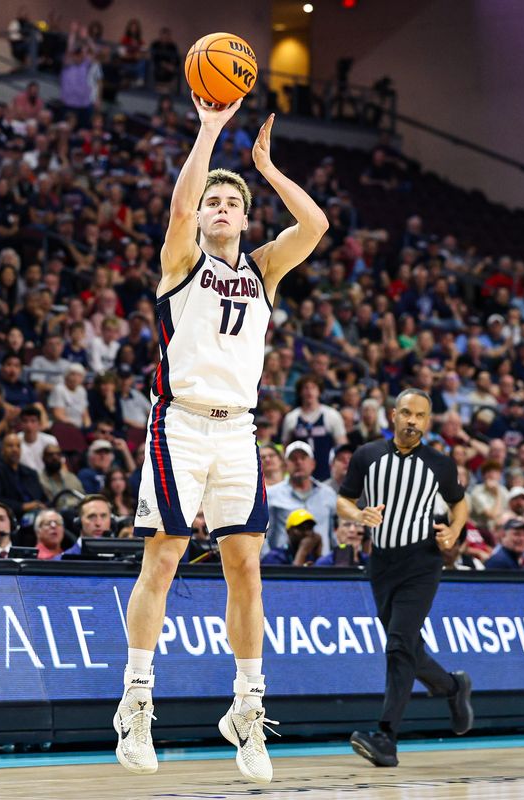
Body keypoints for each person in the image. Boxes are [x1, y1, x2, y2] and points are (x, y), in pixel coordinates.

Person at [118, 96, 328, 784]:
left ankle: (245, 706)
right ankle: (138, 700)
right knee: (166, 556)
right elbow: (179, 211)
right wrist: (209, 133)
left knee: (246, 568)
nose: (218, 207)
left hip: (239, 428)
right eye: (212, 200)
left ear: (243, 217)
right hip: (178, 423)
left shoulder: (263, 271)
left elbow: (316, 223)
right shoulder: (181, 263)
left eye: (228, 203)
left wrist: (264, 168)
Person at [337, 389, 474, 767]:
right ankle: (451, 686)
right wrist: (357, 515)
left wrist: (455, 531)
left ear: (428, 422)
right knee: (408, 647)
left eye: (421, 416)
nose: (413, 421)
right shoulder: (367, 456)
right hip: (381, 563)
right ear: (394, 415)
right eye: (407, 413)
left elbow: (459, 502)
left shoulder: (440, 464)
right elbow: (343, 499)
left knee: (398, 645)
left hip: (421, 562)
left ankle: (386, 737)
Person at [265, 441, 339, 557]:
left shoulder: (328, 494)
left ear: (313, 464)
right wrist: (269, 561)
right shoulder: (272, 495)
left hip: (321, 566)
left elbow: (333, 534)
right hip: (284, 566)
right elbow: (264, 535)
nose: (298, 462)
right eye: (293, 459)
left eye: (303, 458)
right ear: (286, 465)